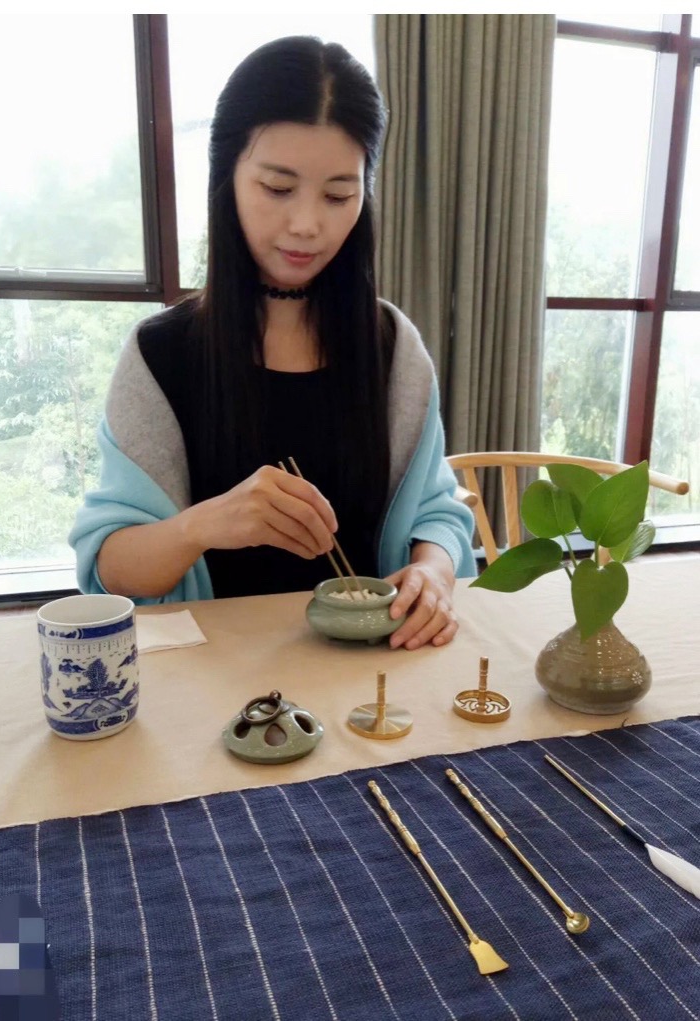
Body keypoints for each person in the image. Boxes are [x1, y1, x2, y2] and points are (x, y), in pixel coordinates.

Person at [69, 35, 476, 651]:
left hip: (373, 673)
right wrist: (204, 526)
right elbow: (110, 566)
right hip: (216, 682)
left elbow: (437, 513)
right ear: (227, 178)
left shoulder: (392, 348)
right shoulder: (161, 355)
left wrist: (434, 573)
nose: (308, 224)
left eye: (339, 195)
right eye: (278, 188)